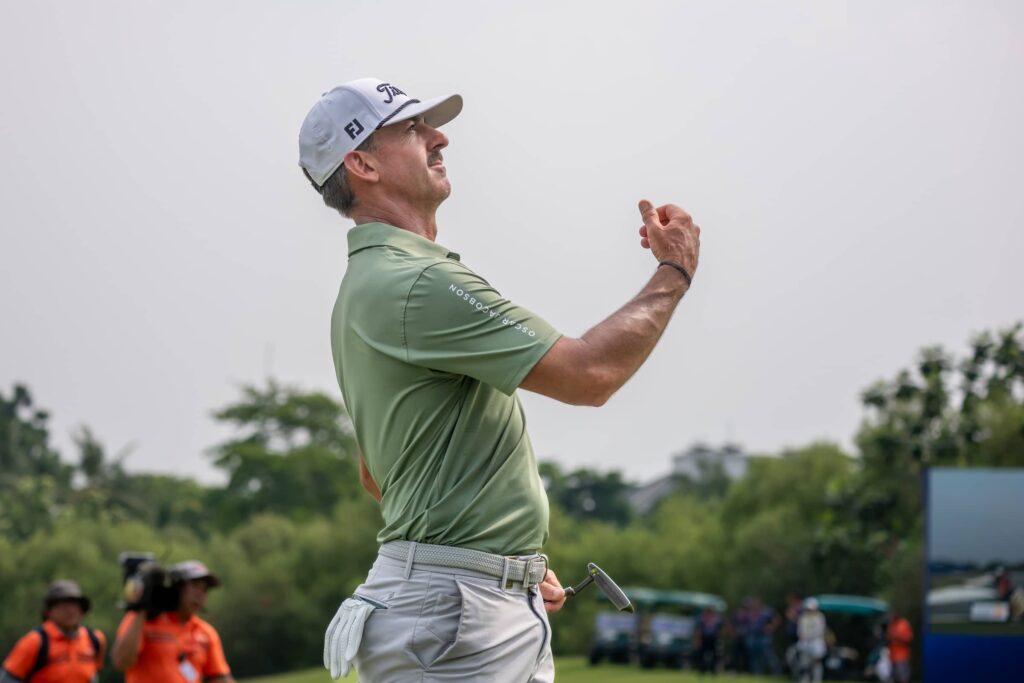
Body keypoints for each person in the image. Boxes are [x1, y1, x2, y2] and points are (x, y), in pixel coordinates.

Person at [299, 77, 701, 682]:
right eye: (412, 129)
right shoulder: (415, 283)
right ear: (361, 163)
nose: (439, 137)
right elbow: (590, 373)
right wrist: (676, 269)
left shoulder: (372, 284)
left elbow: (376, 472)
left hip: (460, 603)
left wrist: (502, 562)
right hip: (455, 613)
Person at [111, 560, 234, 683]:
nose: (200, 594)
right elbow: (121, 662)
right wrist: (141, 608)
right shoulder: (143, 619)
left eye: (204, 589)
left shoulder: (206, 633)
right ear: (177, 587)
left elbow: (219, 677)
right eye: (195, 585)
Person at [1, 581, 105, 683]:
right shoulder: (35, 641)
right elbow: (8, 678)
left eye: (75, 605)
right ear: (49, 612)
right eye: (63, 606)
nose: (70, 611)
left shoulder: (95, 639)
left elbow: (93, 674)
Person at [796, 597, 827, 682]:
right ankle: (804, 680)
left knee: (816, 663)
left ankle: (816, 680)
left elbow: (820, 631)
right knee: (804, 663)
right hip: (805, 643)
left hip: (816, 643)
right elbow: (800, 631)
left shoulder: (820, 617)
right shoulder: (803, 617)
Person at [886, 609, 913, 683]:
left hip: (902, 656)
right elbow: (888, 638)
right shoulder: (891, 624)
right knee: (894, 678)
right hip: (892, 656)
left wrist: (897, 638)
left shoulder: (904, 624)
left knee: (903, 678)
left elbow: (909, 640)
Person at [695, 606, 722, 674]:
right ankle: (702, 670)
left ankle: (713, 670)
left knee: (715, 655)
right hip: (704, 638)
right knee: (701, 655)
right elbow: (699, 630)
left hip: (713, 638)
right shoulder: (702, 618)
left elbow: (720, 629)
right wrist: (698, 640)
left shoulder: (717, 619)